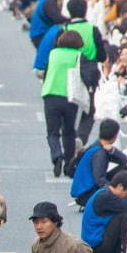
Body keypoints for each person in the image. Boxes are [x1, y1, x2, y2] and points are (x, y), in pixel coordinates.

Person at [38, 28, 83, 177]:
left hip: (51, 93)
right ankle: (69, 163)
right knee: (69, 131)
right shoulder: (78, 55)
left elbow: (45, 72)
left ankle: (57, 155)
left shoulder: (53, 53)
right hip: (71, 96)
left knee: (52, 132)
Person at [82, 169, 127, 253]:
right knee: (125, 214)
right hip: (98, 247)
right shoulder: (105, 197)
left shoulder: (104, 192)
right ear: (120, 186)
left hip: (96, 244)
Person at [71, 120, 127, 208]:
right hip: (87, 194)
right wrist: (113, 190)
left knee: (124, 168)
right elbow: (99, 179)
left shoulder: (97, 145)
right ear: (115, 136)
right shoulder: (99, 153)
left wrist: (113, 151)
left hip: (84, 192)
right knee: (124, 206)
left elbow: (124, 161)